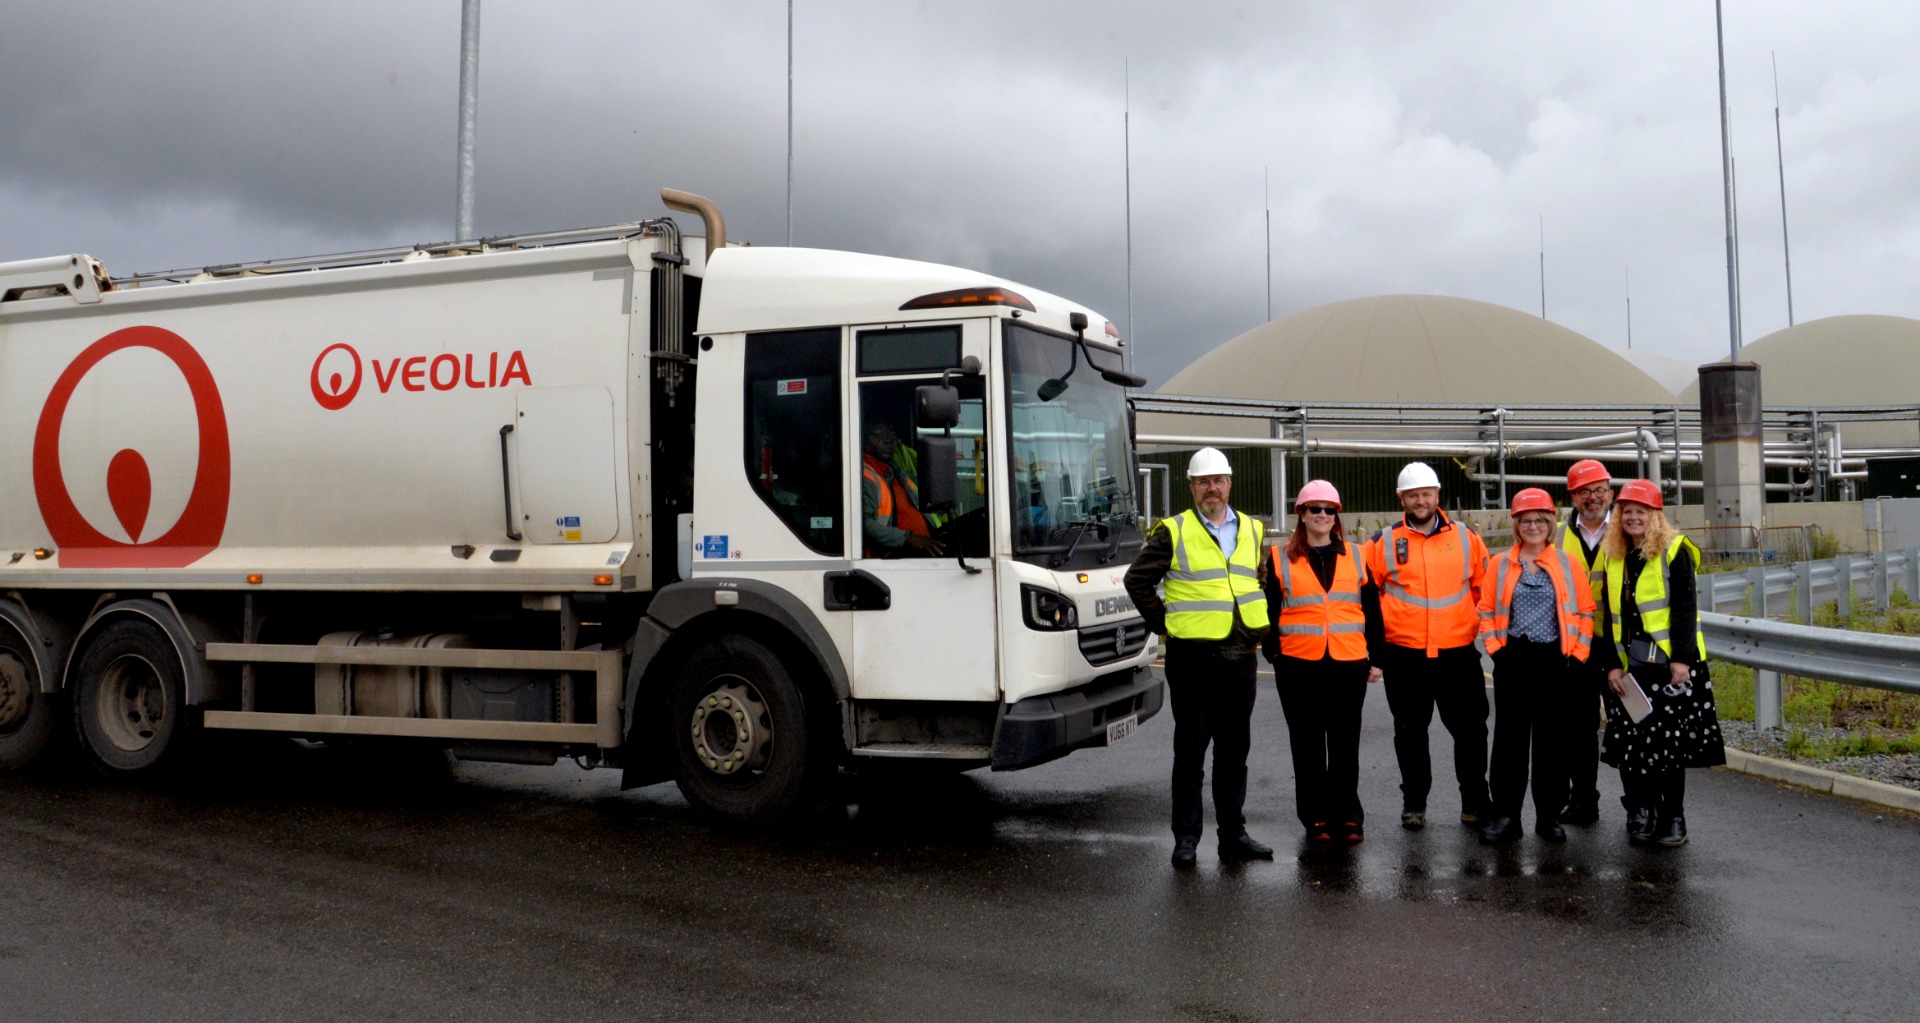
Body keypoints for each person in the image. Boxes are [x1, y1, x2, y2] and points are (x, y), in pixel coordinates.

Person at [1124, 447, 1274, 869]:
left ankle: (1233, 835)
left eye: (1219, 481)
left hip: (1240, 657)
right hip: (1193, 660)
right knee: (1190, 752)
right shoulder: (1173, 531)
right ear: (1192, 488)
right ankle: (1186, 839)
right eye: (1204, 482)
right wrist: (1164, 624)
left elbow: (1255, 580)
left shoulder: (1251, 529)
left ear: (1229, 484)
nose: (1213, 488)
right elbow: (1137, 580)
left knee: (1233, 752)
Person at [1591, 479, 1725, 847]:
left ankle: (1673, 818)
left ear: (1655, 517)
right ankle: (1642, 812)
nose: (1633, 518)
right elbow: (1603, 616)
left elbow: (1685, 609)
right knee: (1633, 749)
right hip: (1629, 670)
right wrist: (1611, 666)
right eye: (1627, 512)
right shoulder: (1612, 554)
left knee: (1669, 750)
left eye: (1641, 512)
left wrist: (1681, 660)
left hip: (1669, 668)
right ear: (1618, 517)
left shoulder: (1674, 550)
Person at [1363, 461, 1494, 831]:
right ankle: (1414, 803)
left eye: (1427, 494)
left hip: (1457, 654)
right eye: (1413, 495)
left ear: (1437, 495)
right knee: (1409, 732)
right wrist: (1377, 652)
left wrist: (1482, 633)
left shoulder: (1467, 538)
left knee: (1471, 732)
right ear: (1401, 498)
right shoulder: (1382, 543)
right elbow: (1368, 600)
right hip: (1405, 656)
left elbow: (1484, 591)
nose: (1421, 501)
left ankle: (1474, 802)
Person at [1260, 480, 1381, 844]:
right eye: (1316, 509)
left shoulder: (1357, 555)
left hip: (1347, 661)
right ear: (1302, 514)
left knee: (1345, 744)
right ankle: (1315, 817)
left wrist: (1377, 658)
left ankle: (1347, 816)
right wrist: (1274, 653)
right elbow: (1266, 609)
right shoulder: (1280, 556)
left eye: (1330, 510)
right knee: (1308, 744)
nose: (1323, 516)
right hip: (1298, 664)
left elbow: (1372, 610)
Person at [1477, 488, 1596, 844]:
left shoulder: (1567, 563)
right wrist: (1497, 649)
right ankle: (1507, 817)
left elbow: (1586, 611)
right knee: (1509, 743)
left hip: (1555, 661)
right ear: (1516, 525)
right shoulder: (1500, 564)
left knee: (1552, 743)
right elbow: (1485, 609)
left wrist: (1577, 655)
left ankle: (1548, 817)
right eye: (1526, 521)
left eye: (1540, 521)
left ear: (1550, 525)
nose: (1533, 527)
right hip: (1513, 659)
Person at [1554, 459, 1614, 825]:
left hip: (1621, 647)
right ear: (1573, 497)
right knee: (1579, 728)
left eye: (1598, 490)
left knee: (1629, 729)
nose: (1592, 498)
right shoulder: (1558, 535)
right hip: (1577, 645)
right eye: (1584, 492)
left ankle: (1639, 806)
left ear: (1611, 492)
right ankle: (1583, 800)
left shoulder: (1630, 528)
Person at [861, 422, 943, 557]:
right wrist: (907, 538)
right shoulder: (863, 476)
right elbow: (861, 523)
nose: (888, 440)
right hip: (890, 557)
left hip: (927, 548)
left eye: (891, 435)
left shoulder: (895, 472)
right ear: (863, 440)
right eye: (877, 435)